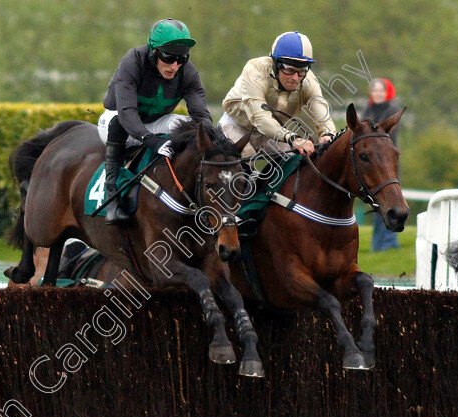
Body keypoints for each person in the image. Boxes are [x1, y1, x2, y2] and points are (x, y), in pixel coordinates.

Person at [98, 18, 213, 224]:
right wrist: (149, 139)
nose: (175, 66)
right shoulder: (132, 61)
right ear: (154, 52)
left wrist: (213, 140)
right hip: (116, 121)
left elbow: (201, 116)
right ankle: (112, 197)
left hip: (154, 123)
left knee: (187, 126)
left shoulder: (187, 71)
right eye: (169, 58)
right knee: (117, 122)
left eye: (181, 59)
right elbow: (126, 112)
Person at [219, 31, 336, 159]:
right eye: (290, 70)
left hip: (272, 132)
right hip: (236, 125)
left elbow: (319, 107)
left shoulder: (308, 81)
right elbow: (260, 117)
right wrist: (292, 138)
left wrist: (328, 134)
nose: (295, 78)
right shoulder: (255, 71)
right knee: (248, 157)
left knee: (293, 160)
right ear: (276, 65)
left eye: (302, 71)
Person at [362, 78, 401, 251]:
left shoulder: (392, 110)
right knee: (377, 205)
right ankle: (377, 245)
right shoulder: (368, 110)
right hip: (371, 164)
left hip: (385, 165)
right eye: (374, 90)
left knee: (390, 202)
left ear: (387, 93)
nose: (377, 93)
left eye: (380, 90)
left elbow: (384, 138)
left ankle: (389, 243)